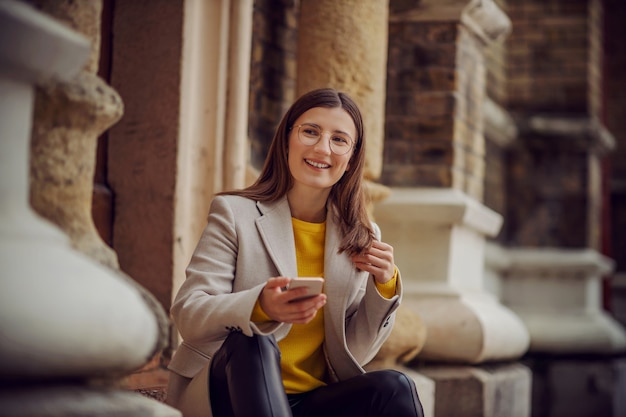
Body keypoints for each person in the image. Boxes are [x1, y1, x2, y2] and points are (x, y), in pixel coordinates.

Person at [166, 88, 424, 417]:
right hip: (227, 393)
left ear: (350, 159)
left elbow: (354, 353)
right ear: (287, 138)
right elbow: (189, 314)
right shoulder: (234, 213)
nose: (322, 148)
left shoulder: (362, 236)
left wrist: (384, 286)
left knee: (396, 387)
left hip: (309, 402)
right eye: (310, 131)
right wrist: (259, 306)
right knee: (253, 342)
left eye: (339, 139)